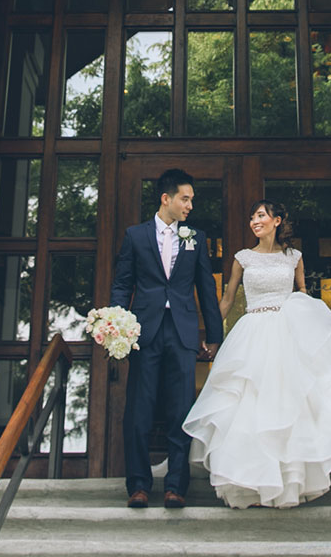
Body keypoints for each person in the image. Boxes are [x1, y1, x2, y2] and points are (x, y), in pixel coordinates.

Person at [183, 199, 331, 509]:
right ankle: (250, 479)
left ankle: (292, 479)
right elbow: (225, 300)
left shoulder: (294, 258)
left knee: (293, 404)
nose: (255, 221)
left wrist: (313, 334)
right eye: (252, 216)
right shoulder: (242, 258)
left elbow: (302, 295)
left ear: (277, 221)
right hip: (251, 332)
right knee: (249, 402)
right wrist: (209, 335)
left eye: (261, 215)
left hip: (287, 329)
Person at [108, 167, 224, 509]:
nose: (189, 205)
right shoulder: (135, 236)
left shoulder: (196, 238)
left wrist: (214, 335)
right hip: (145, 331)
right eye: (184, 199)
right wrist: (118, 324)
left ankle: (176, 486)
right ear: (166, 199)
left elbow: (205, 287)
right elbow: (122, 283)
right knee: (139, 411)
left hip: (183, 332)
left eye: (191, 200)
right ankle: (139, 486)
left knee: (180, 411)